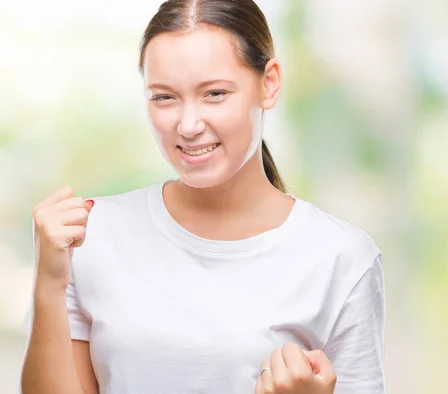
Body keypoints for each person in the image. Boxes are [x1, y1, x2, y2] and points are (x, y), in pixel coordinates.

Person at [20, 0, 386, 393]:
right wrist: (48, 283)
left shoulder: (341, 258)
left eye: (214, 93)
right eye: (164, 97)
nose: (189, 125)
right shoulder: (92, 236)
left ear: (269, 83)